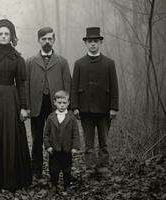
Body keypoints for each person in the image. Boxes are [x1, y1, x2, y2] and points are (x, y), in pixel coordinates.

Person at [0, 19, 32, 190]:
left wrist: (24, 107)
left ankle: (13, 179)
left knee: (12, 135)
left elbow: (22, 85)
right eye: (0, 33)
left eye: (6, 33)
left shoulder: (18, 59)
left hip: (12, 100)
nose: (3, 36)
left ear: (11, 36)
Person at [71, 27, 118, 176]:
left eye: (95, 41)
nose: (93, 44)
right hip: (85, 109)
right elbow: (73, 87)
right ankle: (90, 168)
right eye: (90, 41)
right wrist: (75, 107)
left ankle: (103, 166)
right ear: (86, 43)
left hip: (104, 109)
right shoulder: (79, 63)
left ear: (100, 43)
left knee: (104, 141)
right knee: (89, 142)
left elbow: (114, 86)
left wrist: (113, 107)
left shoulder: (109, 63)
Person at [25, 27, 72, 179]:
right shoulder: (30, 62)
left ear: (54, 40)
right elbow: (26, 85)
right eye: (43, 39)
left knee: (56, 138)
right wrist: (27, 106)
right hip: (37, 105)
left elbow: (67, 85)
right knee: (37, 138)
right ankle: (36, 170)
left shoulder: (62, 62)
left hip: (56, 107)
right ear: (38, 41)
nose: (47, 41)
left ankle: (55, 171)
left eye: (50, 38)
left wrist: (67, 107)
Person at [44, 90, 80, 193]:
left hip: (67, 149)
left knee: (67, 169)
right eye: (59, 103)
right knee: (53, 169)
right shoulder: (51, 118)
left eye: (64, 103)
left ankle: (67, 186)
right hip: (54, 149)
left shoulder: (71, 118)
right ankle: (54, 185)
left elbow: (75, 134)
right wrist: (48, 146)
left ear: (68, 103)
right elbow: (46, 134)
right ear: (55, 102)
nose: (62, 105)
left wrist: (74, 147)